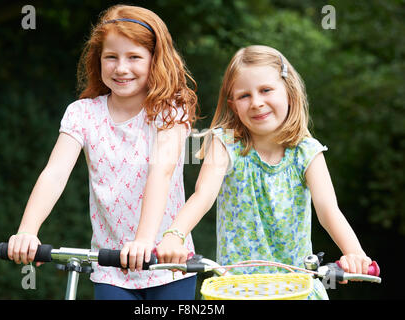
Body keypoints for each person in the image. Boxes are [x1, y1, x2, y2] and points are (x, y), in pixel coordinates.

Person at [6, 4, 199, 300]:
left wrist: (144, 241)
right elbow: (55, 174)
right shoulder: (82, 114)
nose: (121, 68)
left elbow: (161, 171)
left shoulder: (169, 110)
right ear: (98, 60)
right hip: (111, 267)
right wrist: (27, 231)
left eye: (134, 57)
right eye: (111, 57)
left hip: (167, 263)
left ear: (155, 60)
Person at [156, 45, 373, 299]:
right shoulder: (224, 144)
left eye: (266, 90)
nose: (257, 102)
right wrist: (174, 235)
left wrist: (354, 253)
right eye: (244, 96)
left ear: (289, 93)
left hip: (296, 290)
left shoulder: (307, 152)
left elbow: (328, 211)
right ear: (233, 105)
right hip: (235, 290)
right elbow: (202, 196)